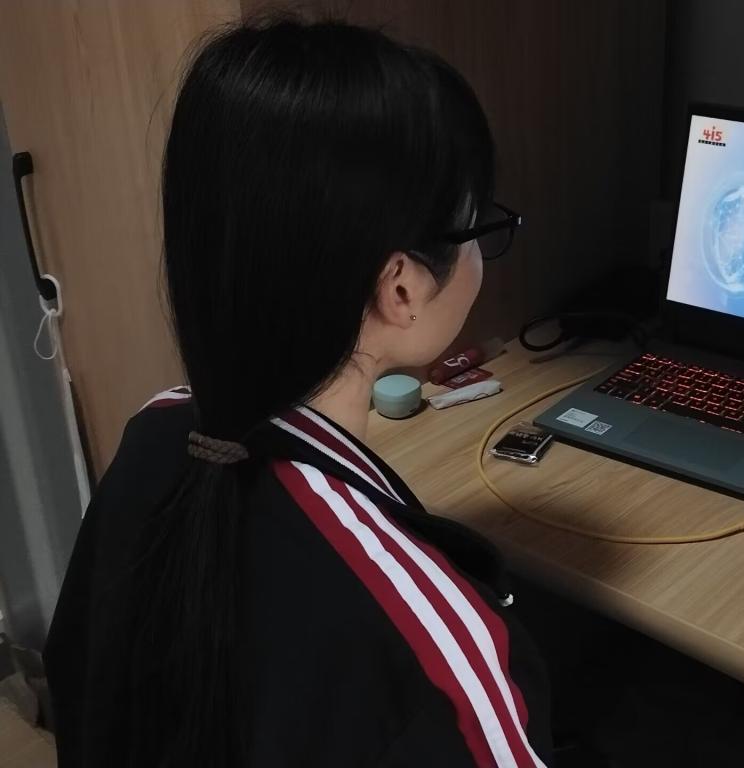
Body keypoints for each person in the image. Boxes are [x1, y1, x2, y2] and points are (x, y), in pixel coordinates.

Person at [43, 16, 553, 768]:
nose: (481, 250)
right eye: (477, 227)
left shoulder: (157, 433)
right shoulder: (435, 647)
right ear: (402, 288)